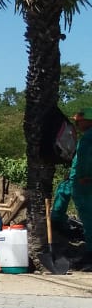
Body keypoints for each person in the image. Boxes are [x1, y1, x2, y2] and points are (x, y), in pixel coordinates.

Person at [68, 108, 92, 268]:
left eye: (79, 120)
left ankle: (90, 257)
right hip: (84, 184)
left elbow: (85, 160)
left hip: (86, 186)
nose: (77, 123)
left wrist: (85, 176)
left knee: (89, 221)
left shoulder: (88, 139)